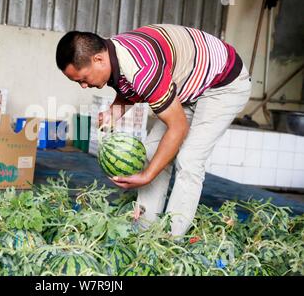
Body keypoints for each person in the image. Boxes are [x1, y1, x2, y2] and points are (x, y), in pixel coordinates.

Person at [55, 24, 251, 237]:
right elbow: (127, 87)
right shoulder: (114, 52)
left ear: (98, 60)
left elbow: (177, 128)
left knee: (189, 160)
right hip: (188, 86)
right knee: (152, 155)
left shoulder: (142, 70)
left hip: (223, 84)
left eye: (83, 79)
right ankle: (145, 231)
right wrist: (115, 111)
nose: (83, 86)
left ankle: (171, 239)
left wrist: (147, 176)